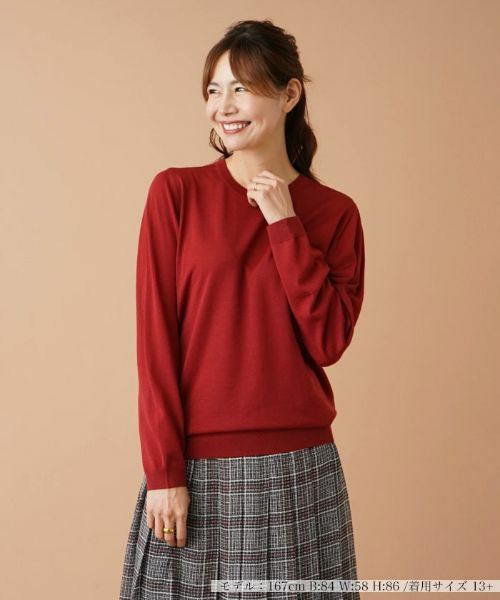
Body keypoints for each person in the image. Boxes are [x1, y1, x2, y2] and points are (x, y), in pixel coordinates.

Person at [119, 18, 365, 600]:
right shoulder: (176, 194)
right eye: (214, 89)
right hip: (196, 471)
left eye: (241, 88)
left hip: (300, 469)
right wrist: (164, 471)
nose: (223, 106)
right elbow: (156, 344)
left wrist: (284, 223)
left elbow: (328, 340)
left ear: (289, 94)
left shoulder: (334, 213)